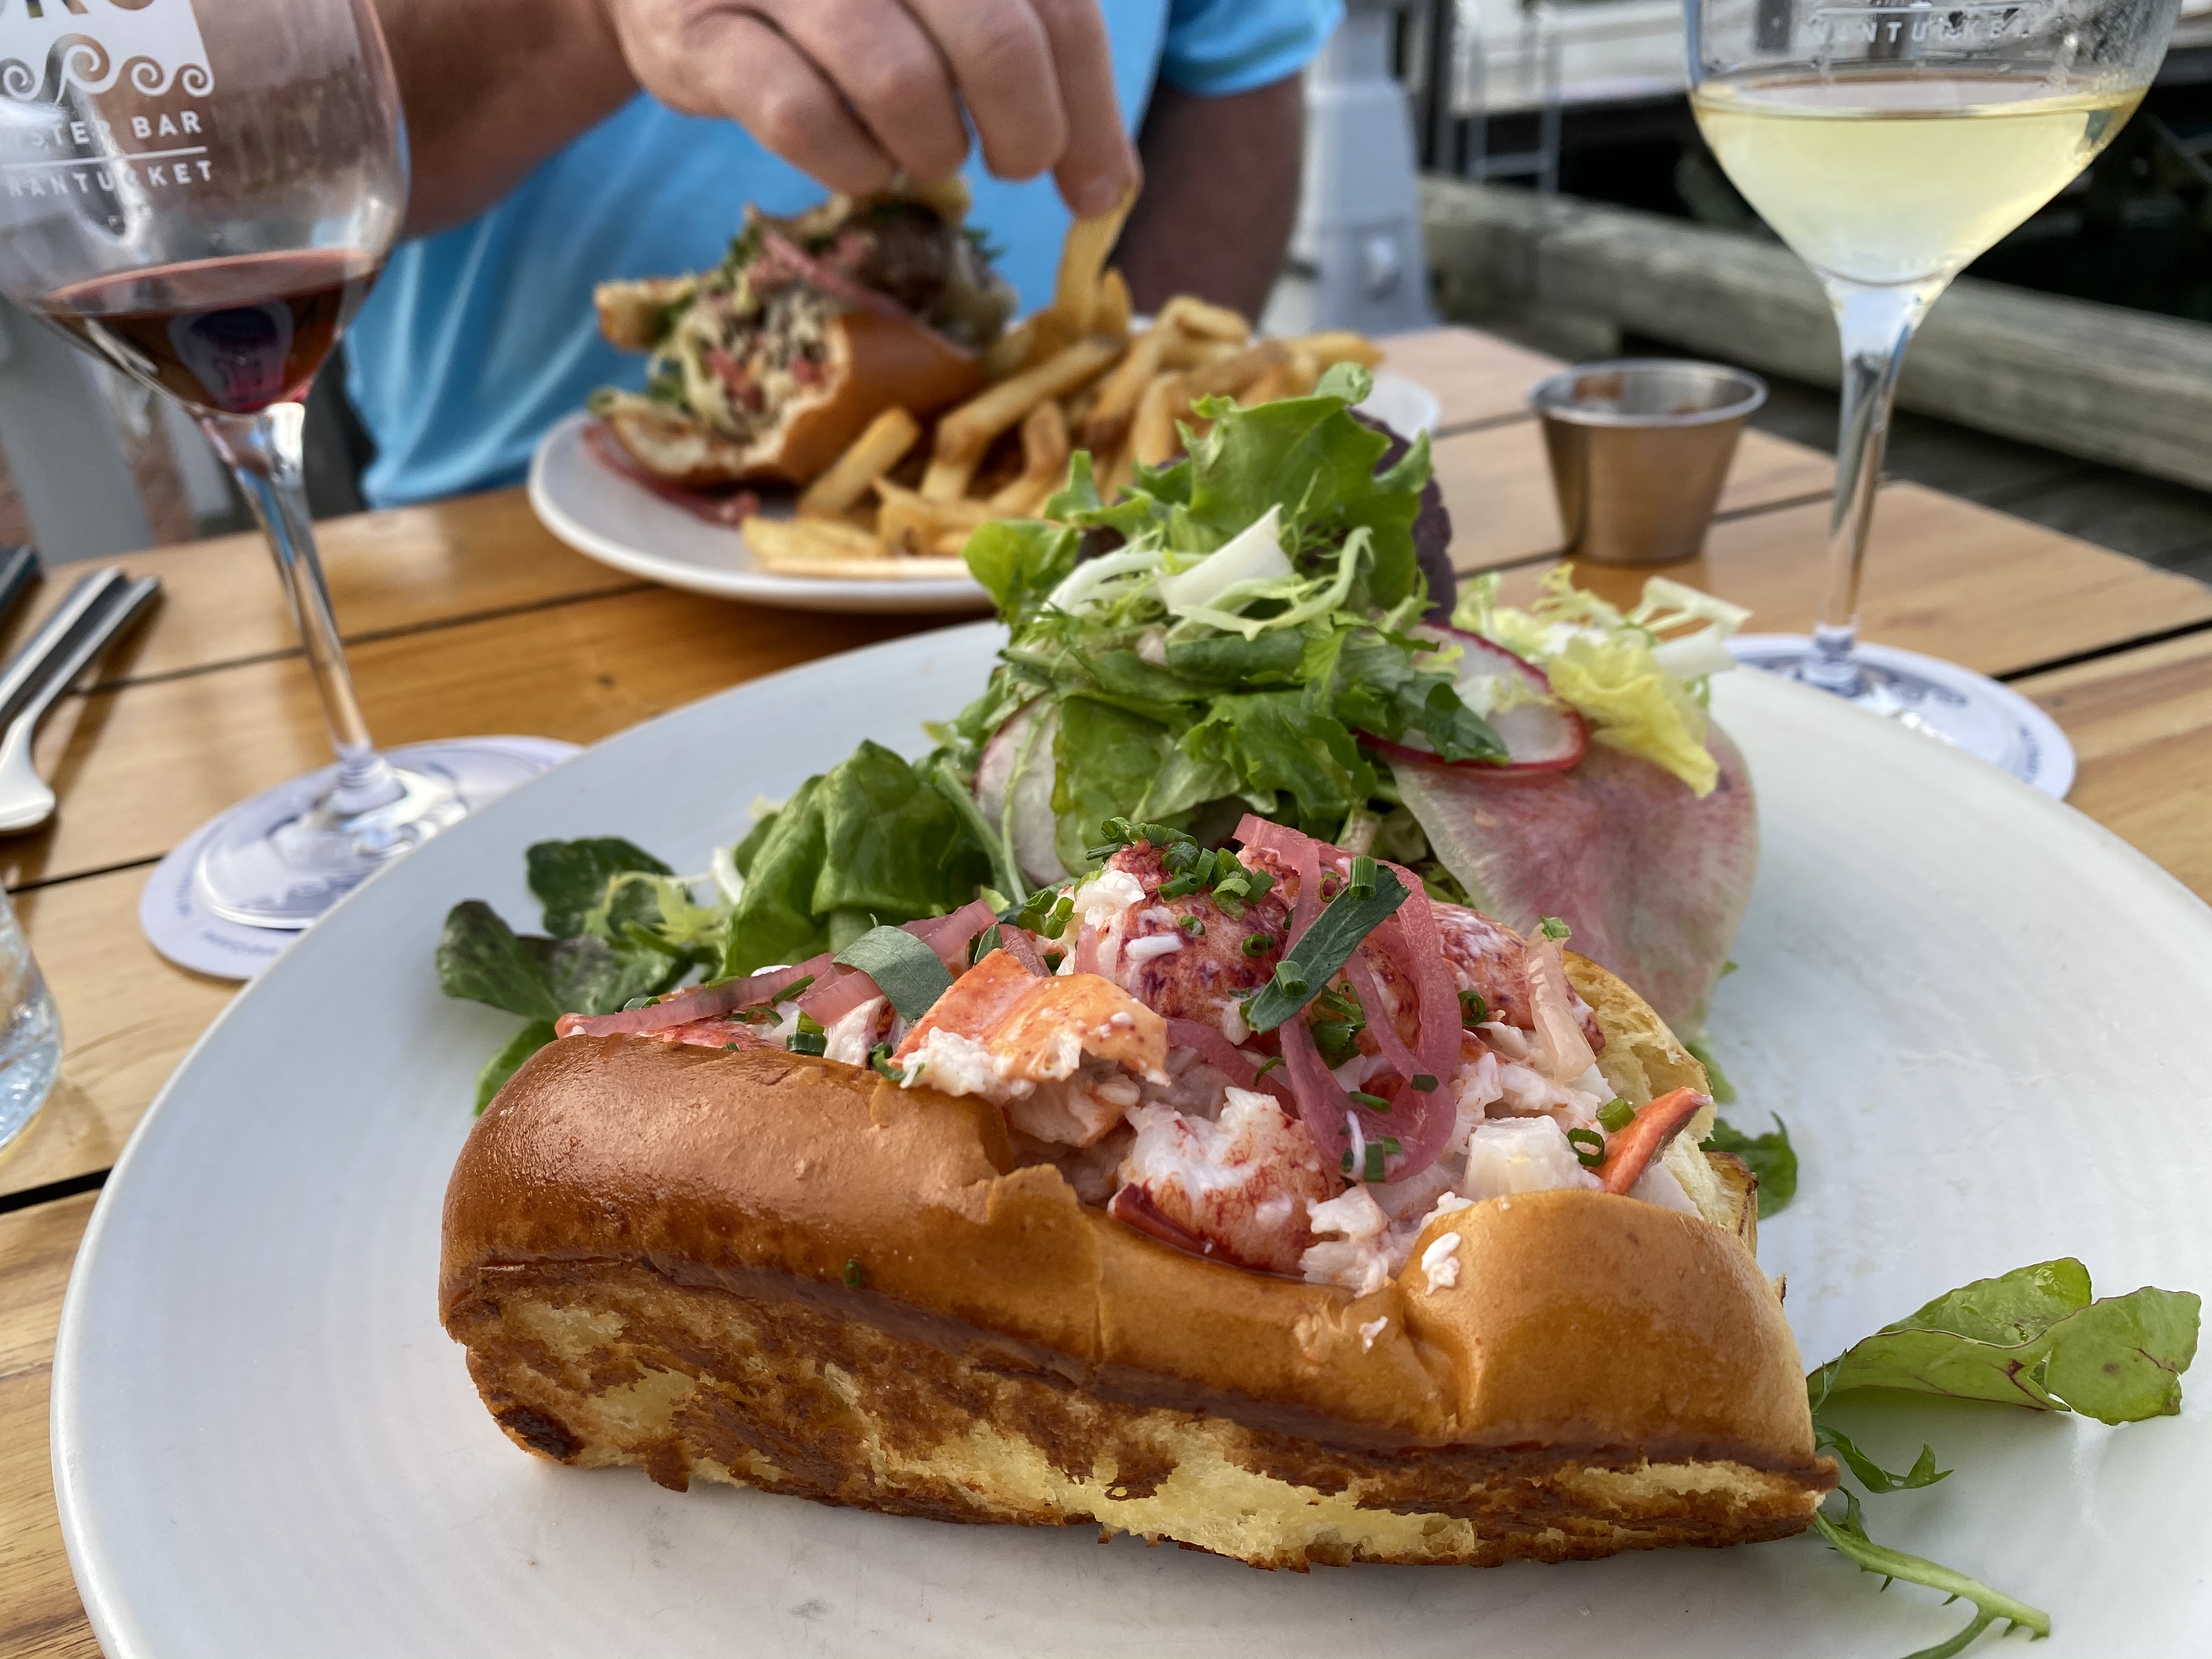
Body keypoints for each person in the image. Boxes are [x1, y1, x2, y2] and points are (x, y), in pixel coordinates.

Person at [351, 0, 1344, 508]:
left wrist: (1120, 477)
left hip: (1014, 561)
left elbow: (1237, 57)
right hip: (496, 553)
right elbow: (264, 149)